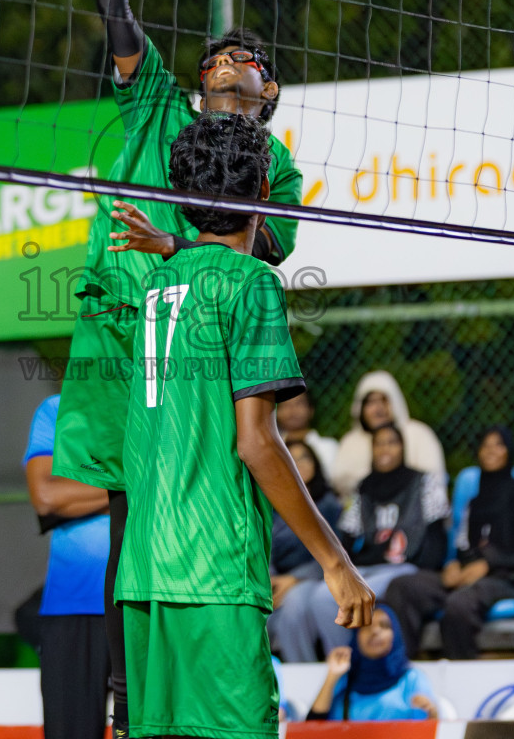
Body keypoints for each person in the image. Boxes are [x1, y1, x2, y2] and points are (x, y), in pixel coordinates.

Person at [54, 0, 304, 739]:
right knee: (131, 512)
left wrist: (171, 250)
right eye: (218, 59)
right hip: (121, 330)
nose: (232, 62)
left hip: (198, 341)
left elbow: (250, 253)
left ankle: (191, 684)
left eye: (251, 61)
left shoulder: (275, 163)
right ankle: (129, 699)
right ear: (197, 87)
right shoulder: (159, 106)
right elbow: (120, 22)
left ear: (269, 94)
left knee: (190, 498)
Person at [117, 113, 374, 739]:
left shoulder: (158, 283)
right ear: (264, 193)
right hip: (212, 568)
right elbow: (257, 443)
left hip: (145, 571)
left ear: (181, 202)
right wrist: (335, 561)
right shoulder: (255, 282)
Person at [383, 426, 514, 659]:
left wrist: (489, 565)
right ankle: (401, 666)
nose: (491, 451)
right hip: (470, 577)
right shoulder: (474, 501)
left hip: (509, 580)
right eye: (485, 445)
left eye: (498, 445)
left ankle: (461, 672)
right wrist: (454, 567)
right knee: (403, 587)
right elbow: (463, 549)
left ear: (509, 451)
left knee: (459, 604)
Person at [305, 424, 451, 656]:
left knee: (357, 595)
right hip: (368, 567)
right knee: (321, 597)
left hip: (406, 566)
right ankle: (345, 660)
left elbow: (436, 534)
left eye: (392, 442)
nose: (385, 448)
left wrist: (425, 569)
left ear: (402, 448)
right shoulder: (363, 488)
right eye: (379, 443)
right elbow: (348, 538)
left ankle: (367, 661)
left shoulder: (424, 482)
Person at [24, 394, 112, 739]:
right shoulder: (55, 408)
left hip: (150, 597)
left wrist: (80, 491)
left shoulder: (160, 404)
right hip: (73, 600)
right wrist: (136, 483)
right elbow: (47, 497)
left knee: (151, 728)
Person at [268, 440, 342, 661]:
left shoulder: (329, 504)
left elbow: (337, 554)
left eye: (305, 457)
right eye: (292, 457)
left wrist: (293, 580)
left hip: (317, 577)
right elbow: (265, 548)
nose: (299, 463)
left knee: (294, 606)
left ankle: (306, 678)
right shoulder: (272, 505)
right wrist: (271, 579)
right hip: (276, 581)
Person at [307, 608, 438, 721]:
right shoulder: (345, 679)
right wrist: (331, 676)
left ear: (396, 635)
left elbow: (429, 725)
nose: (375, 631)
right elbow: (311, 730)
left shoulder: (412, 678)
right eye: (366, 627)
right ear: (356, 635)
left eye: (384, 626)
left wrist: (431, 712)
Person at [330, 371, 446, 498]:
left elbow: (433, 481)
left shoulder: (419, 434)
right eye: (371, 402)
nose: (378, 408)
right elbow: (341, 485)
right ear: (361, 407)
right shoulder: (351, 442)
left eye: (384, 400)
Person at [278, 392, 340, 477]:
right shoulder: (270, 449)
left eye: (299, 404)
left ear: (311, 410)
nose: (292, 410)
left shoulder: (329, 447)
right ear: (276, 412)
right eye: (285, 405)